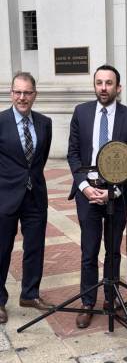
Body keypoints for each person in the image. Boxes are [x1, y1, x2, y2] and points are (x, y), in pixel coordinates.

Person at [67, 64, 127, 329]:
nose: (103, 87)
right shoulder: (81, 113)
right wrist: (85, 187)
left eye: (109, 83)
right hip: (87, 193)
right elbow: (73, 154)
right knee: (89, 251)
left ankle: (110, 300)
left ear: (118, 87)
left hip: (117, 195)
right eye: (99, 82)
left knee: (112, 251)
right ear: (94, 85)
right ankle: (88, 302)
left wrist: (113, 190)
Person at [0, 71, 54, 324]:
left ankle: (30, 294)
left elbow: (39, 161)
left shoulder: (45, 123)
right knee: (2, 249)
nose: (22, 97)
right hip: (5, 198)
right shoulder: (0, 122)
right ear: (11, 93)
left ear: (35, 95)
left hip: (35, 197)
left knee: (35, 247)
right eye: (17, 92)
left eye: (27, 93)